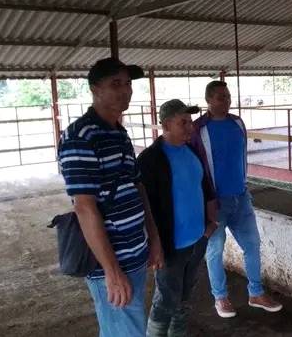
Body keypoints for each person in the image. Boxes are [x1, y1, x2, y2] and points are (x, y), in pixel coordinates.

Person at [57, 57, 163, 337]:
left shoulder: (119, 133)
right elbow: (85, 208)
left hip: (135, 252)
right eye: (116, 84)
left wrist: (152, 237)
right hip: (113, 261)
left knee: (125, 328)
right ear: (95, 89)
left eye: (128, 84)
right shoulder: (80, 137)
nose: (125, 90)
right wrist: (112, 271)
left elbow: (137, 187)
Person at [194, 80, 282, 318]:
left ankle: (256, 293)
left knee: (252, 244)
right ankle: (220, 298)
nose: (227, 101)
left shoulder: (237, 123)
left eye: (228, 96)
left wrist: (243, 186)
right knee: (215, 249)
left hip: (241, 197)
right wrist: (205, 202)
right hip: (215, 202)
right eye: (221, 97)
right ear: (208, 100)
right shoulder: (199, 129)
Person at [138, 99, 219, 337]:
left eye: (190, 122)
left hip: (198, 239)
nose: (190, 127)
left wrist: (211, 223)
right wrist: (154, 244)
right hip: (171, 245)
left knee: (185, 297)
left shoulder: (191, 151)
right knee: (166, 299)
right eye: (183, 122)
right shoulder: (150, 159)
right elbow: (145, 206)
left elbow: (205, 187)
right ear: (166, 125)